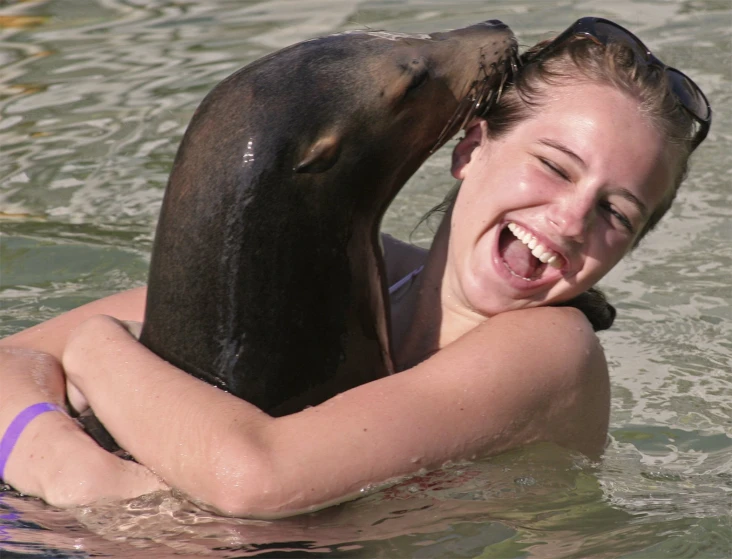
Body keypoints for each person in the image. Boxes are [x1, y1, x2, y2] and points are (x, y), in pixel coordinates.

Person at [0, 17, 711, 518]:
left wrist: (95, 348)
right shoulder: (357, 275)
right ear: (471, 149)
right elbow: (12, 357)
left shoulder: (551, 351)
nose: (569, 219)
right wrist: (57, 456)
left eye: (616, 213)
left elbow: (255, 479)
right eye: (554, 166)